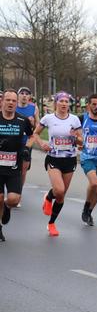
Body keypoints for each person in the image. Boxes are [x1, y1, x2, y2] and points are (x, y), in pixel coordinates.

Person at [33, 92, 83, 237]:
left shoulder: (74, 120)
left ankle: (51, 223)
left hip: (69, 159)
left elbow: (81, 141)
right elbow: (35, 133)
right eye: (61, 101)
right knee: (59, 190)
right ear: (56, 103)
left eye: (66, 101)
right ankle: (49, 197)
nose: (64, 104)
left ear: (69, 104)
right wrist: (42, 143)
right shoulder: (48, 118)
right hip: (54, 158)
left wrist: (76, 138)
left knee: (61, 196)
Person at [0, 89, 34, 241]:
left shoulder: (22, 120)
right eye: (8, 100)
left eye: (13, 101)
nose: (11, 103)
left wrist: (26, 148)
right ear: (2, 101)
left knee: (14, 199)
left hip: (14, 166)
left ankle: (7, 207)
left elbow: (32, 136)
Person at [79, 93, 97, 226]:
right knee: (94, 183)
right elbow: (72, 132)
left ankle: (89, 211)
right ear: (88, 105)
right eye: (94, 104)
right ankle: (86, 207)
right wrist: (77, 141)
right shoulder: (82, 119)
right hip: (87, 157)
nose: (96, 107)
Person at [16, 87, 40, 192]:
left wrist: (32, 123)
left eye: (27, 94)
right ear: (18, 96)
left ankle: (18, 192)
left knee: (23, 170)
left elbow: (37, 127)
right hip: (13, 141)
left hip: (27, 142)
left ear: (30, 97)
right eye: (22, 93)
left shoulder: (34, 108)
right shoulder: (12, 106)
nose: (24, 95)